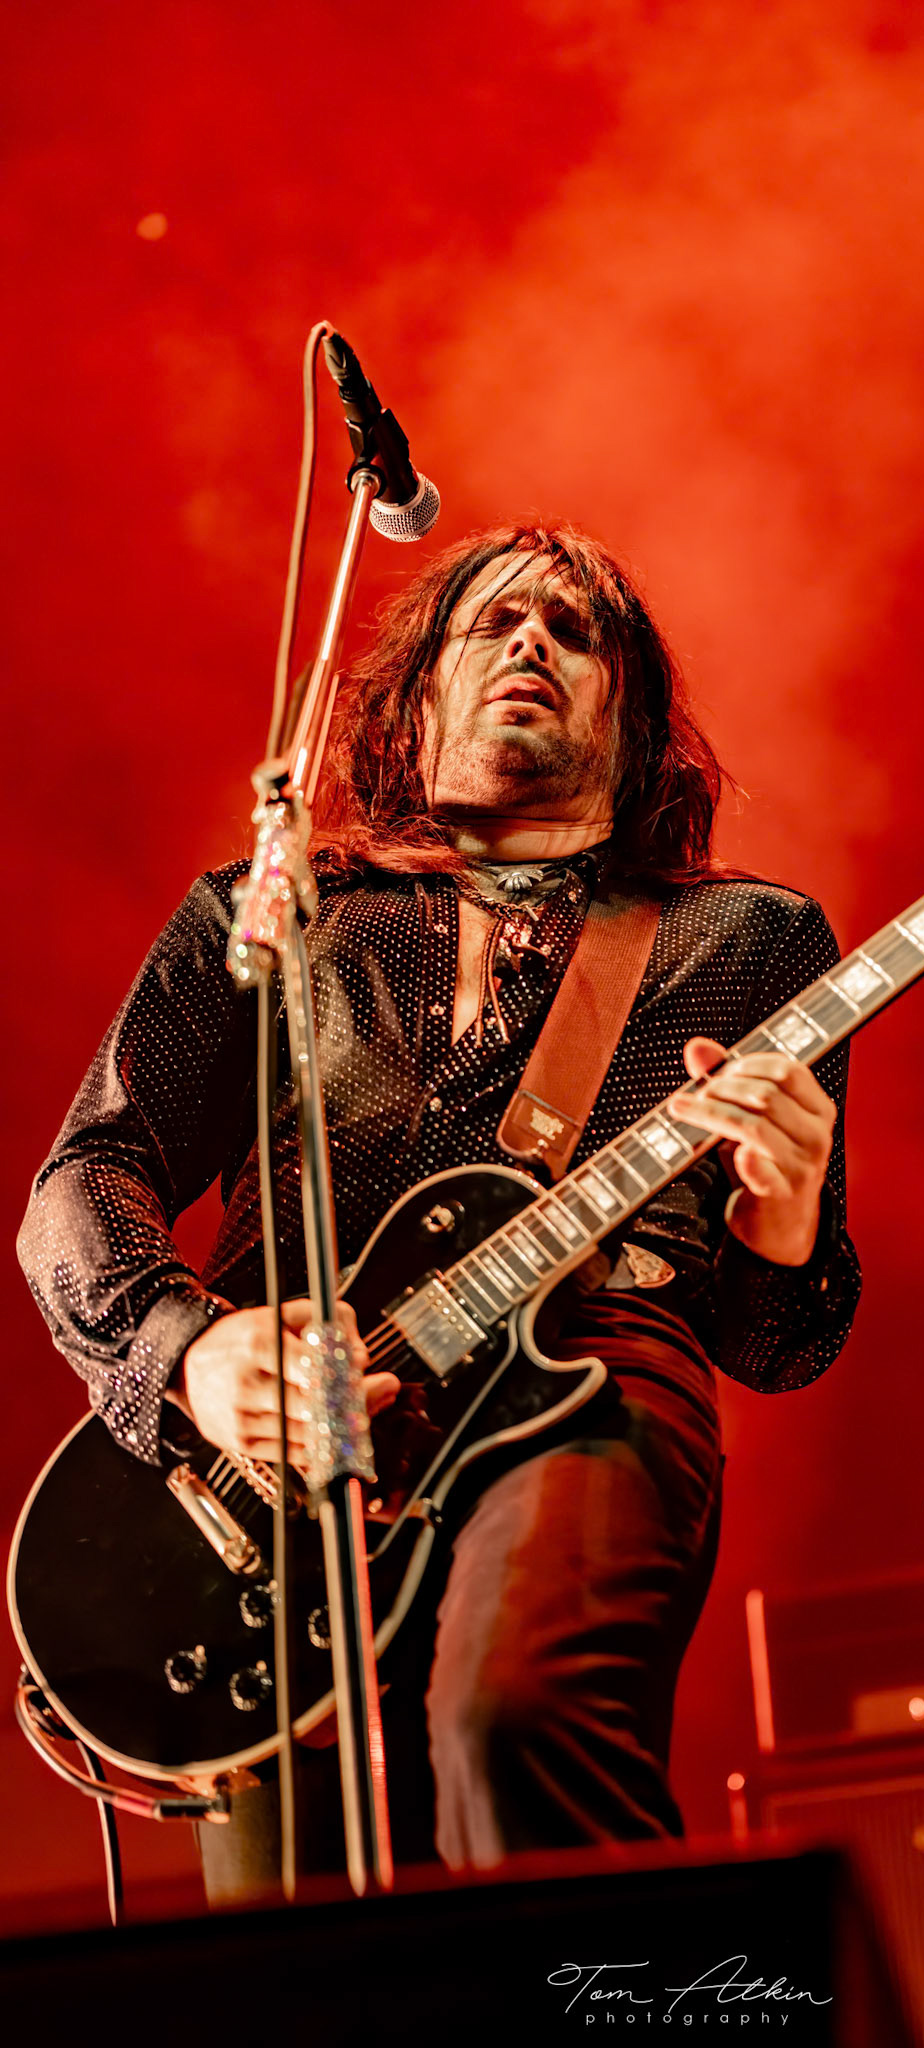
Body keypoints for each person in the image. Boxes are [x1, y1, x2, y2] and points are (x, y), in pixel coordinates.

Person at [17, 523, 860, 1897]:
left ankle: (625, 1993)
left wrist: (788, 1212)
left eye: (575, 631)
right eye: (496, 622)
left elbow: (776, 1340)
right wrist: (192, 1352)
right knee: (302, 1918)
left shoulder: (746, 940)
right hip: (294, 1435)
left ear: (633, 723)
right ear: (412, 702)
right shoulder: (275, 916)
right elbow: (82, 1178)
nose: (533, 641)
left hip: (588, 1369)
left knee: (512, 1722)